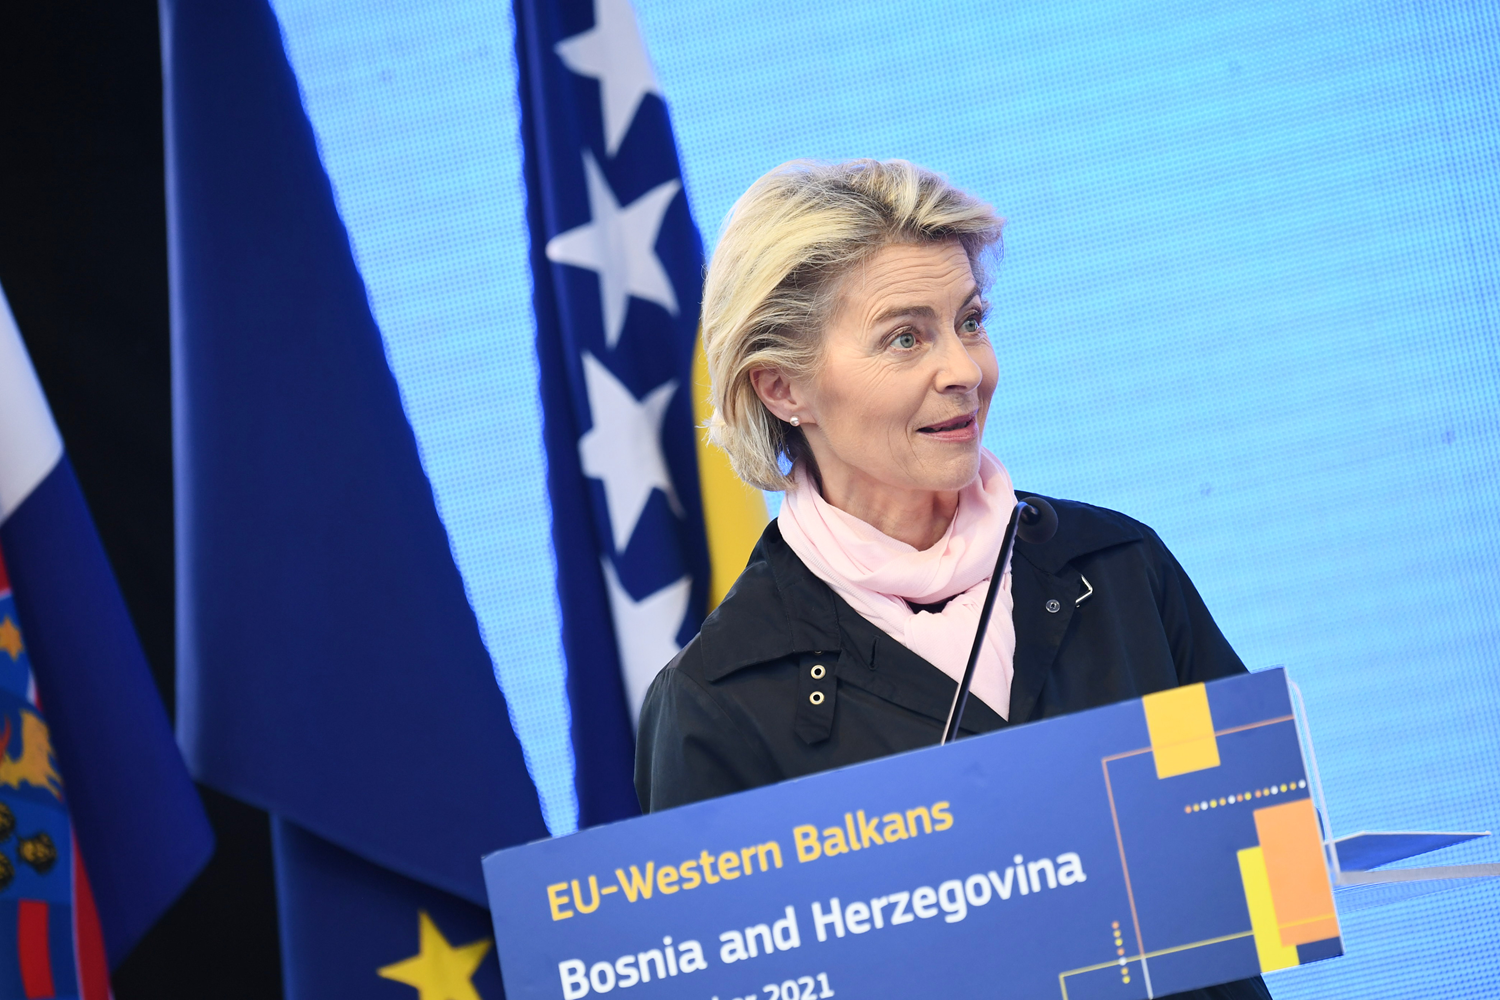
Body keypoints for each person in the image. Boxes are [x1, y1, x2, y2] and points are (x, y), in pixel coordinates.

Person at [636, 159, 1269, 1000]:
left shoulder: (1118, 571)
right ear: (782, 387)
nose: (964, 370)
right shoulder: (720, 699)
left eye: (969, 322)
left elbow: (1251, 865)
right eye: (906, 337)